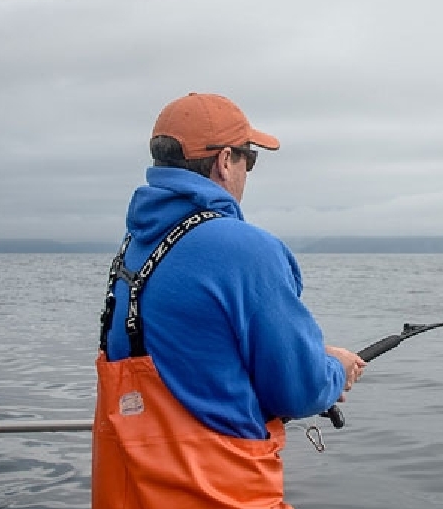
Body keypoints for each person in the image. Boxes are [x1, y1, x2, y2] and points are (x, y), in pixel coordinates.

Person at [92, 92, 366, 508]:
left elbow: (197, 362)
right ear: (224, 161)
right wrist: (334, 369)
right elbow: (299, 390)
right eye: (248, 159)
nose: (247, 171)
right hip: (219, 495)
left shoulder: (134, 248)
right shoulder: (245, 250)